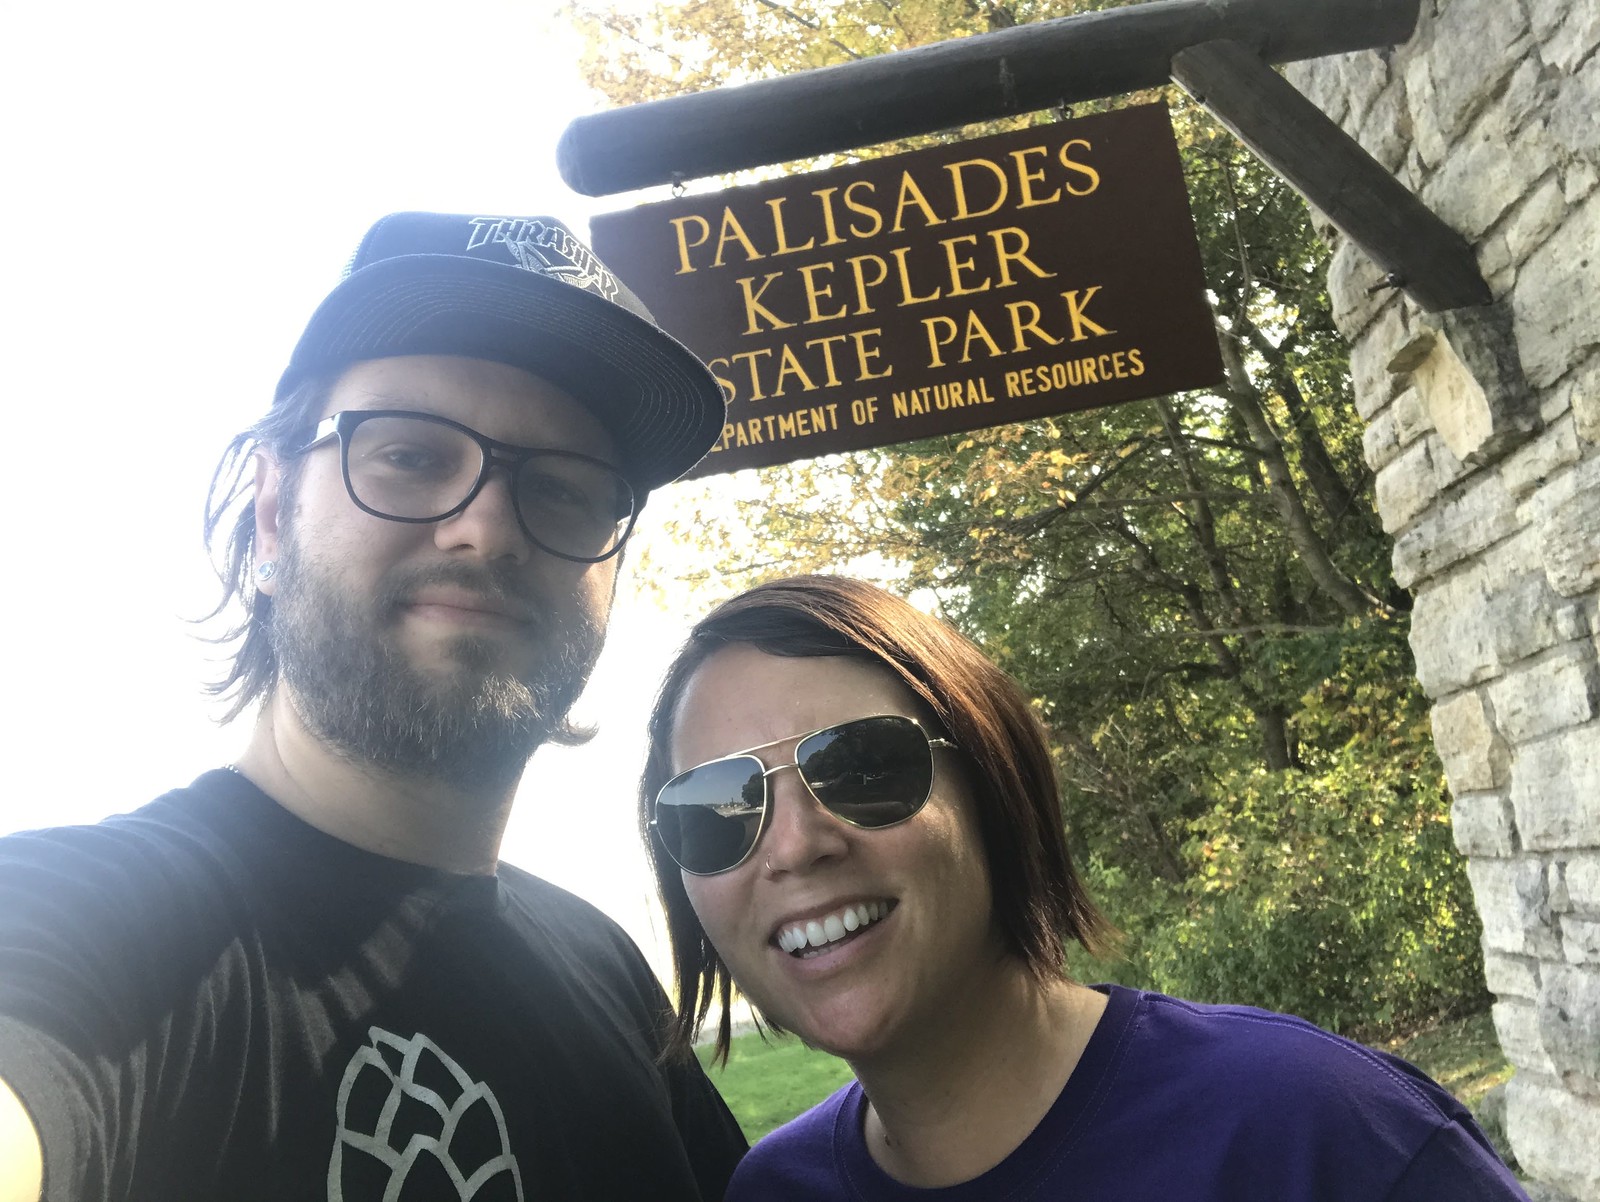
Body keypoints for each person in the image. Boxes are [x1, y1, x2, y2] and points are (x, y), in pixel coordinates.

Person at [0, 211, 748, 1202]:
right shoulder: (91, 923)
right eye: (410, 455)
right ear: (273, 513)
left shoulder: (608, 970)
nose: (486, 528)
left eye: (566, 488)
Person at [638, 574, 1530, 1201]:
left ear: (992, 784)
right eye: (715, 811)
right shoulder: (776, 1192)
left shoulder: (1315, 1133)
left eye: (863, 767)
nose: (795, 845)